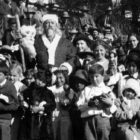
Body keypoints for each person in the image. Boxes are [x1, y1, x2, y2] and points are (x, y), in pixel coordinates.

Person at [77, 64, 116, 140]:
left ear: (102, 76)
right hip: (88, 119)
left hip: (103, 118)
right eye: (91, 77)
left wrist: (110, 104)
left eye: (96, 76)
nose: (94, 79)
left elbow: (113, 108)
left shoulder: (107, 89)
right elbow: (79, 107)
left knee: (103, 137)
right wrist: (89, 104)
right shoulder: (87, 89)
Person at [20, 69, 56, 140]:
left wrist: (41, 108)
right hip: (30, 121)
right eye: (38, 79)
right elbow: (23, 101)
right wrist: (24, 104)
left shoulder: (48, 92)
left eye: (43, 81)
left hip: (44, 122)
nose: (40, 82)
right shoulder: (29, 90)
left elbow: (52, 105)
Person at [48, 69, 74, 140]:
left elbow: (70, 100)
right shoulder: (50, 89)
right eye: (57, 78)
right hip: (53, 116)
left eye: (61, 78)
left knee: (64, 136)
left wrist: (66, 101)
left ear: (65, 78)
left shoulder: (68, 89)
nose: (59, 80)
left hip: (64, 116)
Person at [0, 60, 18, 140]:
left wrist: (3, 106)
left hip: (4, 119)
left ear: (5, 75)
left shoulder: (10, 87)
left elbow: (15, 105)